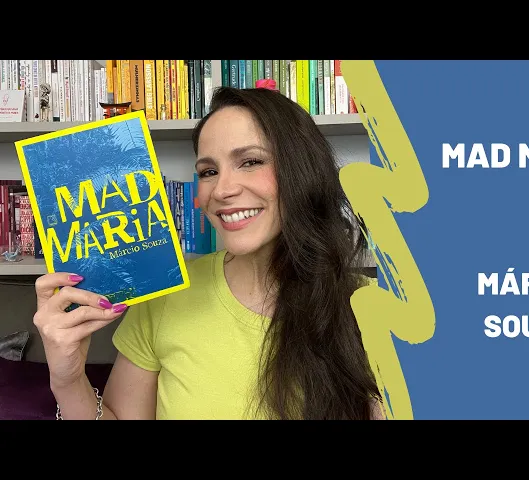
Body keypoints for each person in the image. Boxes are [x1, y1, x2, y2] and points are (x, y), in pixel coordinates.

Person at [32, 85, 384, 420]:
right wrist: (67, 380)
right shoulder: (167, 294)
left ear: (302, 171)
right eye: (209, 171)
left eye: (251, 161)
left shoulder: (374, 311)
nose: (222, 190)